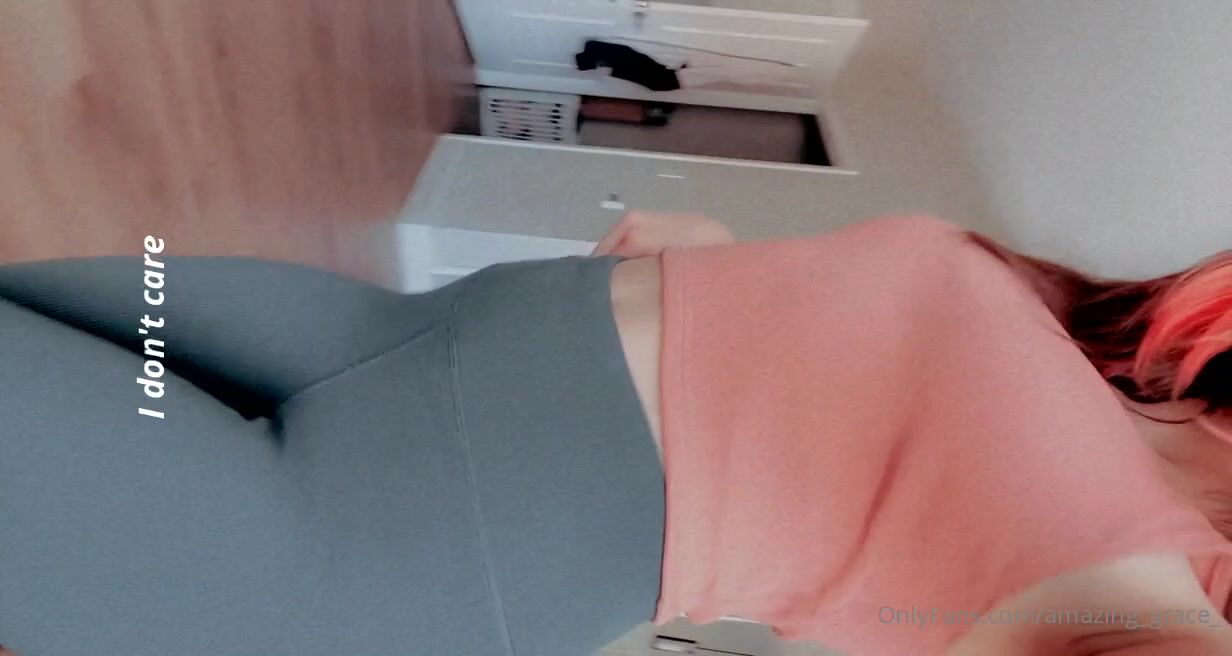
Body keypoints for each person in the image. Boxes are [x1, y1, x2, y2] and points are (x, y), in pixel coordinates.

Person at [1, 212, 1229, 655]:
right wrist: (732, 266)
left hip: (365, 554)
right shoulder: (1111, 351)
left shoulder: (1163, 601)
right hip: (377, 339)